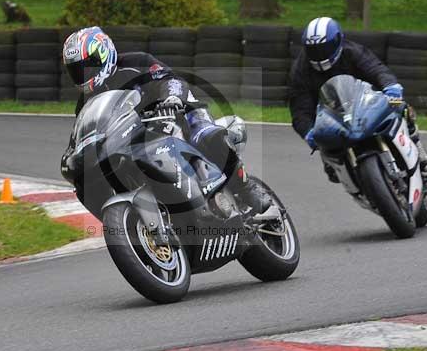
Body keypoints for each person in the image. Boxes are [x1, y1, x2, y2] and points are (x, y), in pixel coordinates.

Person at [60, 26, 271, 215]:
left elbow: (170, 79)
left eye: (86, 67)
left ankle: (245, 188)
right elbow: (88, 130)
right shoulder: (85, 103)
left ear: (103, 55)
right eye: (76, 70)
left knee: (208, 136)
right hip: (136, 139)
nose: (81, 75)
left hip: (178, 113)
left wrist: (171, 99)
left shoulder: (136, 62)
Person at [289, 16, 427, 183]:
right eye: (314, 50)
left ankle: (419, 150)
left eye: (325, 48)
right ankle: (355, 181)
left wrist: (391, 86)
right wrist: (308, 132)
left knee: (401, 106)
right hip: (329, 114)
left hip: (365, 101)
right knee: (332, 172)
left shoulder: (353, 51)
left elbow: (375, 69)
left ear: (338, 41)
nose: (320, 55)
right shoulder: (300, 70)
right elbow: (299, 107)